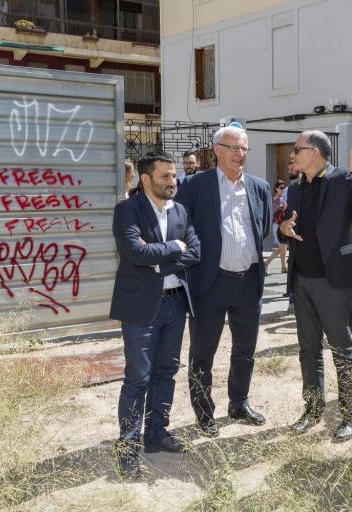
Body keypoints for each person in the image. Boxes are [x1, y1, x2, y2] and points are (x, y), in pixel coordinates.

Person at [279, 130, 352, 441]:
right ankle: (311, 409)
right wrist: (284, 228)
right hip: (302, 279)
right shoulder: (295, 188)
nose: (292, 155)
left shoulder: (342, 178)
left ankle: (350, 414)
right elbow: (288, 225)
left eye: (297, 149)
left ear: (314, 152)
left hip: (334, 281)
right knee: (308, 349)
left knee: (341, 349)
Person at [174, 126, 273, 437]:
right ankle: (204, 413)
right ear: (216, 149)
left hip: (248, 282)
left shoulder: (259, 187)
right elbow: (180, 226)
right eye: (233, 148)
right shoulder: (194, 185)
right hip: (210, 282)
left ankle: (238, 403)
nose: (239, 154)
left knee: (245, 349)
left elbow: (264, 226)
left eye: (244, 149)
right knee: (203, 352)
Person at [109, 152, 201, 478]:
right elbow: (135, 252)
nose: (172, 182)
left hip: (175, 304)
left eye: (174, 176)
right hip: (140, 308)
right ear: (146, 179)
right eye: (165, 176)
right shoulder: (127, 211)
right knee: (138, 379)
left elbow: (196, 251)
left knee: (167, 371)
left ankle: (156, 434)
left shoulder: (180, 210)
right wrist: (175, 249)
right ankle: (128, 448)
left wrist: (161, 259)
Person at [264, 179, 288, 273]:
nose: (283, 190)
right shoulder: (274, 200)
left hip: (283, 225)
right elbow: (274, 213)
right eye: (281, 188)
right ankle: (266, 263)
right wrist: (283, 208)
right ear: (276, 189)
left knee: (284, 246)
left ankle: (283, 267)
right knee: (282, 246)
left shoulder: (284, 199)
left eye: (284, 188)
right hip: (277, 226)